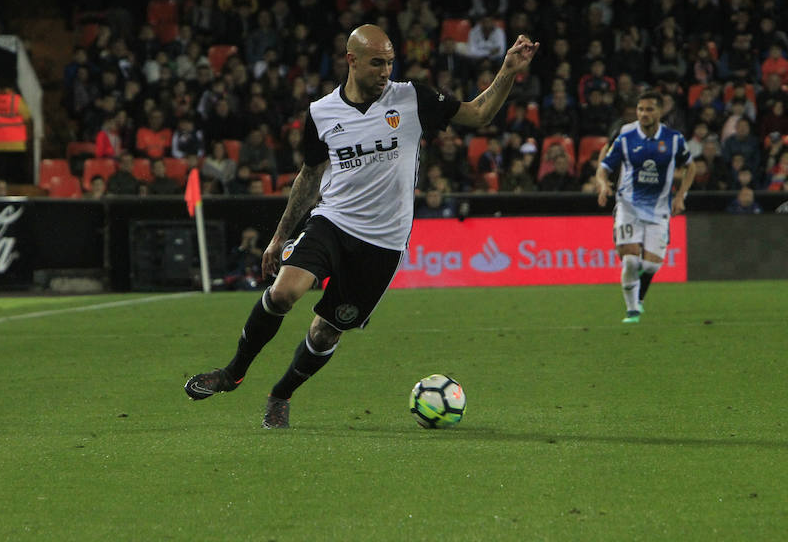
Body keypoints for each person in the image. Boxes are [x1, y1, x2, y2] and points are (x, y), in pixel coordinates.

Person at [184, 24, 538, 428]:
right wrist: (280, 235)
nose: (385, 70)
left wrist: (508, 70)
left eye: (389, 62)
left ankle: (280, 395)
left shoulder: (412, 97)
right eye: (376, 63)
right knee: (283, 292)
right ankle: (232, 373)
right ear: (351, 60)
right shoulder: (321, 112)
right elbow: (309, 175)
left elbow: (479, 113)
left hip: (384, 243)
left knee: (325, 334)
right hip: (333, 221)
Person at [596, 91, 695, 324]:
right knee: (630, 261)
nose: (644, 114)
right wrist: (602, 185)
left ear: (660, 112)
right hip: (628, 206)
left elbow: (691, 167)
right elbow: (604, 166)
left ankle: (638, 297)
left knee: (650, 265)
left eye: (649, 109)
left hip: (659, 209)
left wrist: (681, 195)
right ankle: (632, 311)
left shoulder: (673, 139)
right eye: (640, 109)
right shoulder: (626, 137)